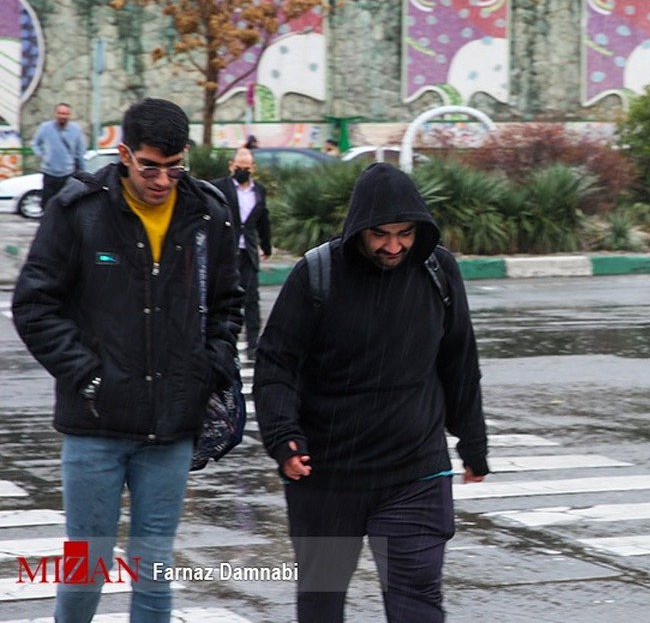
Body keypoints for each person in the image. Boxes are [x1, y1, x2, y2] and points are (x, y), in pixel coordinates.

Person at [12, 98, 243, 622]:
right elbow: (33, 304)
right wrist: (87, 376)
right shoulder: (79, 212)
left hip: (171, 426)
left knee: (154, 565)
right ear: (123, 155)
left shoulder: (206, 215)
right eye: (150, 166)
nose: (163, 180)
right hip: (94, 424)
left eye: (175, 166)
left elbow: (228, 303)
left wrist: (208, 368)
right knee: (86, 566)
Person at [253, 163, 489, 623]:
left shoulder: (438, 270)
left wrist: (473, 444)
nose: (394, 245)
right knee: (321, 606)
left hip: (414, 473)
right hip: (325, 477)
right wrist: (283, 438)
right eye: (381, 233)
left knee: (416, 603)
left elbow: (459, 361)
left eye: (405, 233)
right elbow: (275, 363)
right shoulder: (317, 275)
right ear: (358, 227)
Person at [214, 148, 272, 357]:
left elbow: (263, 221)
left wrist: (266, 247)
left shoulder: (259, 191)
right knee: (224, 299)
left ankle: (253, 344)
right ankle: (223, 342)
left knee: (251, 300)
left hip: (247, 252)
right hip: (226, 252)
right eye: (238, 167)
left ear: (253, 168)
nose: (242, 171)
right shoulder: (220, 188)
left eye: (246, 168)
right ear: (231, 166)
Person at [31, 102, 87, 206]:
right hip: (49, 173)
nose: (62, 116)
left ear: (69, 115)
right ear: (55, 114)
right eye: (60, 113)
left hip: (67, 174)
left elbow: (80, 153)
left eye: (65, 114)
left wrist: (82, 172)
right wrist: (42, 155)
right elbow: (35, 143)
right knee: (47, 205)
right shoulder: (45, 128)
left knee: (66, 205)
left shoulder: (76, 130)